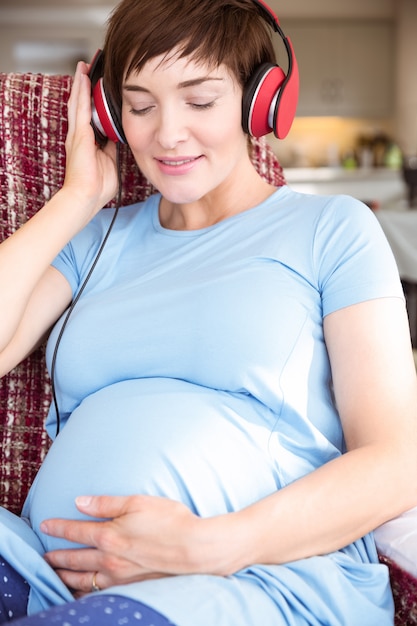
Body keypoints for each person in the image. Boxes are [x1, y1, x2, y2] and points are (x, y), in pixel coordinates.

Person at [0, 0, 417, 624]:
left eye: (199, 101)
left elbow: (398, 461)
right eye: (140, 106)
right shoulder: (94, 239)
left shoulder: (332, 230)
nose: (167, 134)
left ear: (261, 102)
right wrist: (76, 198)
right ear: (112, 116)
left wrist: (211, 545)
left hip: (256, 581)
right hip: (49, 573)